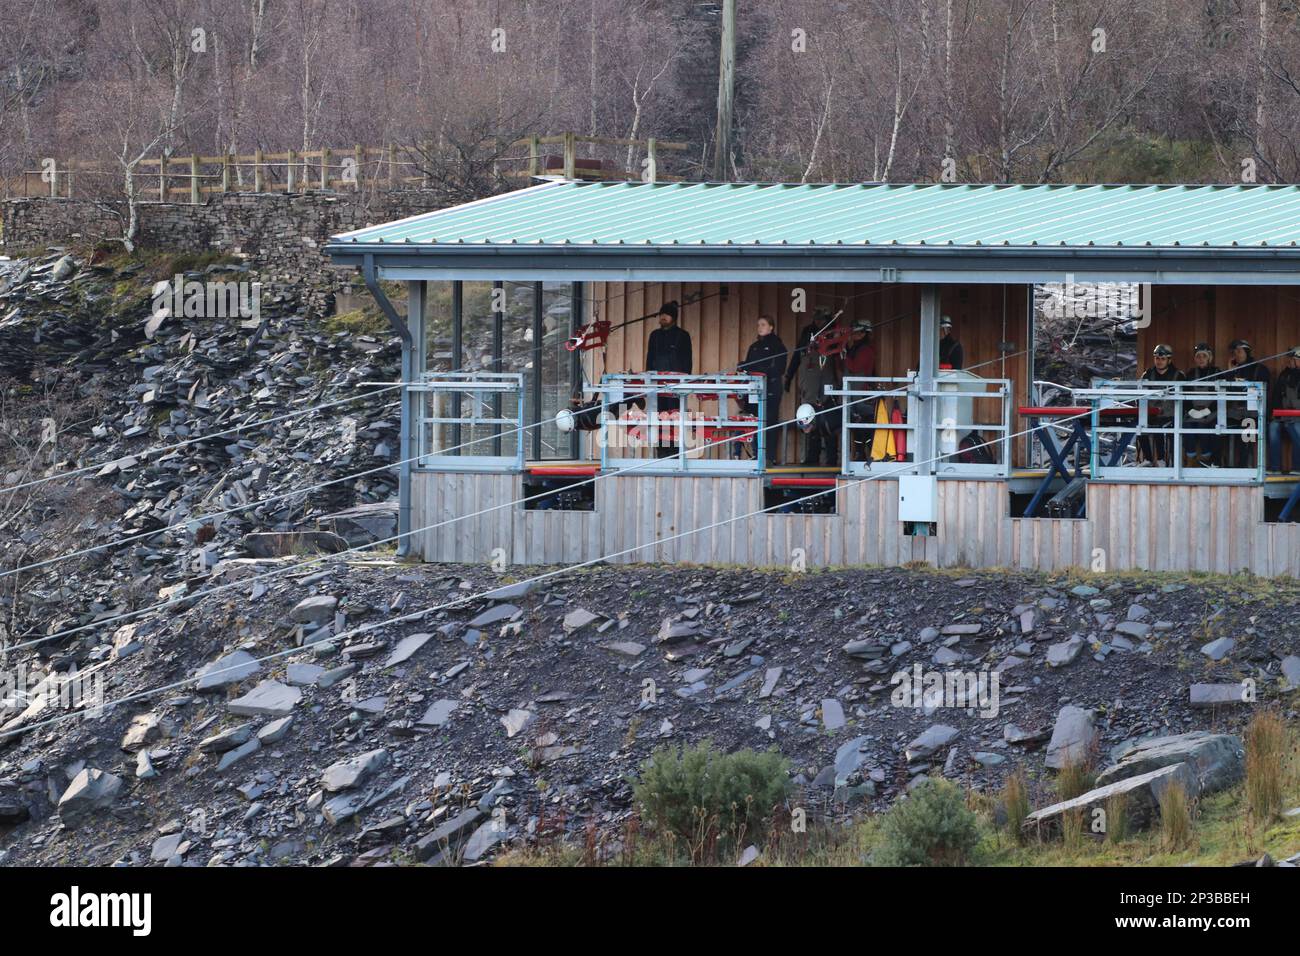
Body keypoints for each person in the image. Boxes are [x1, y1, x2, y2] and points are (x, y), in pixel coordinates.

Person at [645, 301, 693, 457]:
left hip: (675, 387)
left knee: (675, 418)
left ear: (674, 317)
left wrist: (684, 383)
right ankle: (661, 453)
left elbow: (688, 362)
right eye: (661, 314)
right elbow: (649, 360)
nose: (663, 317)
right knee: (659, 418)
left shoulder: (683, 336)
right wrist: (649, 381)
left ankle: (675, 453)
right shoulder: (655, 335)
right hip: (657, 387)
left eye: (666, 314)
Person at [742, 315, 788, 465]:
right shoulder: (754, 346)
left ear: (771, 327)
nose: (760, 327)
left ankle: (769, 457)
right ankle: (756, 454)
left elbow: (779, 368)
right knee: (755, 420)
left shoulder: (777, 345)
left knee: (769, 421)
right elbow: (748, 365)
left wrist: (761, 371)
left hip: (771, 388)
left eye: (763, 324)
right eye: (758, 325)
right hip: (754, 389)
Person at [796, 336, 841, 467]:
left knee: (828, 429)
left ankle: (831, 459)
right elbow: (803, 377)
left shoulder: (828, 356)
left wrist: (828, 394)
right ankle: (812, 458)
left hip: (825, 397)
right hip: (809, 398)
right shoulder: (805, 357)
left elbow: (831, 374)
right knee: (811, 430)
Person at [1138, 344, 1184, 466]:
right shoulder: (1147, 374)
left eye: (1162, 359)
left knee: (1160, 427)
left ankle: (1162, 459)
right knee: (1139, 426)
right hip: (1151, 413)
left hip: (1171, 415)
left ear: (1169, 360)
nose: (1159, 361)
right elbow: (1140, 395)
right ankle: (1147, 459)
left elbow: (1184, 399)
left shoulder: (1178, 375)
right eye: (1157, 358)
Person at [1228, 338, 1271, 468]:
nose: (1236, 355)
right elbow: (1228, 389)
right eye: (1234, 352)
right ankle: (1221, 464)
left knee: (1247, 431)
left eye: (1239, 351)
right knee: (1218, 426)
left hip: (1253, 414)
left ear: (1247, 352)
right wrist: (1230, 371)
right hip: (1235, 413)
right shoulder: (1234, 370)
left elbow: (1264, 393)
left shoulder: (1260, 369)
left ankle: (1244, 467)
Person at [1183, 342, 1222, 467]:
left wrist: (1208, 411)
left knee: (1205, 426)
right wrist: (1190, 410)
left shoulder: (1217, 373)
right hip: (1193, 411)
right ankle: (1191, 458)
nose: (1201, 359)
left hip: (1212, 412)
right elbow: (1184, 395)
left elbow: (1221, 396)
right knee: (1186, 426)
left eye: (1204, 356)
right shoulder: (1190, 374)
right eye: (1198, 356)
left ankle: (1206, 458)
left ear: (1209, 358)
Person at [1267, 347, 1300, 474]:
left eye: (1294, 359)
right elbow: (1276, 396)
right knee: (1273, 427)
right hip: (1284, 415)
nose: (1290, 361)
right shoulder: (1285, 374)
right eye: (1291, 359)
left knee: (1296, 427)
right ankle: (1275, 468)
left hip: (1298, 416)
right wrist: (1273, 415)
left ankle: (1297, 468)